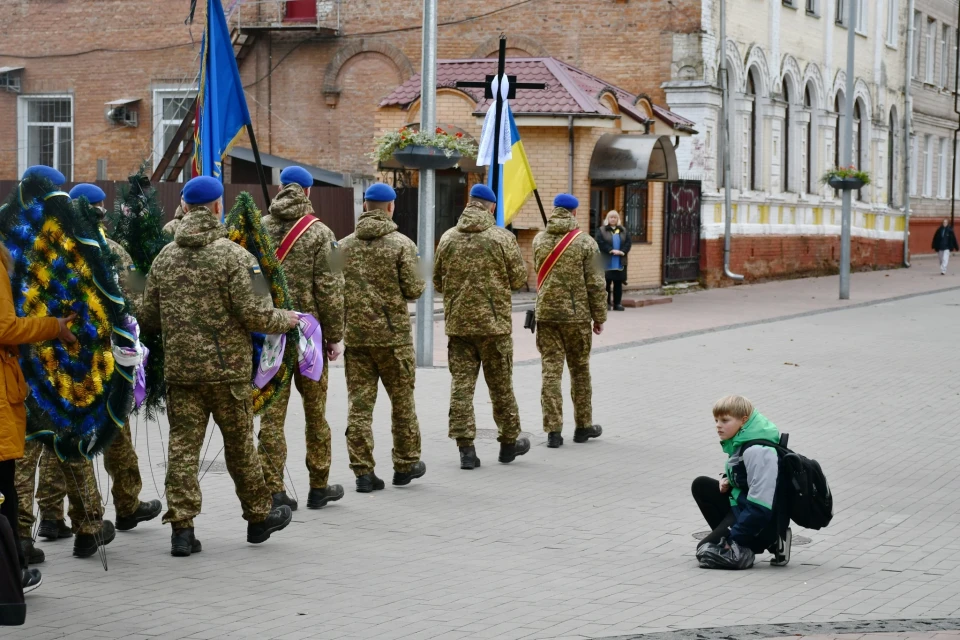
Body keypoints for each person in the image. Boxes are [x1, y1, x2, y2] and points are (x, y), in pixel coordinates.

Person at [140, 176, 300, 557]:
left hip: (182, 373)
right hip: (228, 373)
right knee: (240, 446)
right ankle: (258, 518)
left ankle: (182, 529)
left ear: (184, 207)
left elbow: (147, 316)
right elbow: (256, 313)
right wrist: (288, 320)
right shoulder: (238, 257)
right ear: (216, 207)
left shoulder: (165, 257)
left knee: (182, 448)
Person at [13, 176, 119, 562]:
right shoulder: (76, 241)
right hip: (61, 361)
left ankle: (21, 535)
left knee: (23, 453)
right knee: (71, 444)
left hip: (21, 364)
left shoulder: (14, 238)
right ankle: (88, 526)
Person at [0, 168, 77, 591]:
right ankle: (11, 572)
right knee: (5, 486)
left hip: (18, 379)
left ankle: (22, 547)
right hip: (17, 379)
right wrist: (53, 327)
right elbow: (4, 327)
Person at [259, 166, 345, 510]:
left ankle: (273, 488)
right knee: (315, 412)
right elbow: (331, 289)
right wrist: (336, 336)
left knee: (271, 415)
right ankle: (319, 485)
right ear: (308, 192)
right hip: (310, 338)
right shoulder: (322, 233)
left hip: (272, 334)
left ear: (281, 190)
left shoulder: (260, 229)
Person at [433, 184, 530, 469]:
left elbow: (437, 282)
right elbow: (517, 279)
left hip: (459, 328)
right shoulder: (503, 238)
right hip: (495, 327)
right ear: (492, 207)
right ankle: (509, 444)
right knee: (500, 386)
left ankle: (466, 451)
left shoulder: (448, 238)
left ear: (469, 204)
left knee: (461, 388)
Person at [340, 183, 426, 492]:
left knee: (359, 406)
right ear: (390, 207)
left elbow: (333, 289)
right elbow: (414, 289)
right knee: (402, 403)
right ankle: (405, 464)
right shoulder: (402, 244)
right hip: (394, 340)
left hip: (357, 339)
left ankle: (363, 471)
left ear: (365, 206)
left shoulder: (342, 246)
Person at [533, 194, 606, 449]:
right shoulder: (585, 243)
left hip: (546, 316)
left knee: (550, 371)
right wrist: (599, 317)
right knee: (579, 370)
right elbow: (596, 283)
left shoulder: (539, 239)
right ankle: (583, 426)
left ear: (555, 211)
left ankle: (553, 431)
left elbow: (537, 272)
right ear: (575, 212)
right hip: (576, 318)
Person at [691, 395, 791, 569]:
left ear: (743, 420)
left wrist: (733, 539)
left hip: (762, 519)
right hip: (742, 505)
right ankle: (740, 539)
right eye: (716, 420)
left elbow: (761, 507)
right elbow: (745, 476)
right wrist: (727, 480)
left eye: (724, 420)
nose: (718, 425)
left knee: (706, 551)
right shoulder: (742, 440)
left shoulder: (758, 452)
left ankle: (772, 540)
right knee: (701, 486)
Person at [595, 210, 632, 311]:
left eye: (615, 217)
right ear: (607, 219)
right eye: (611, 217)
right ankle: (606, 304)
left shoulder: (623, 230)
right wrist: (610, 250)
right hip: (607, 260)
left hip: (620, 261)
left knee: (618, 284)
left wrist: (622, 252)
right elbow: (599, 242)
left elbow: (628, 242)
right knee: (606, 283)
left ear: (618, 219)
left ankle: (617, 304)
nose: (613, 219)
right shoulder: (602, 230)